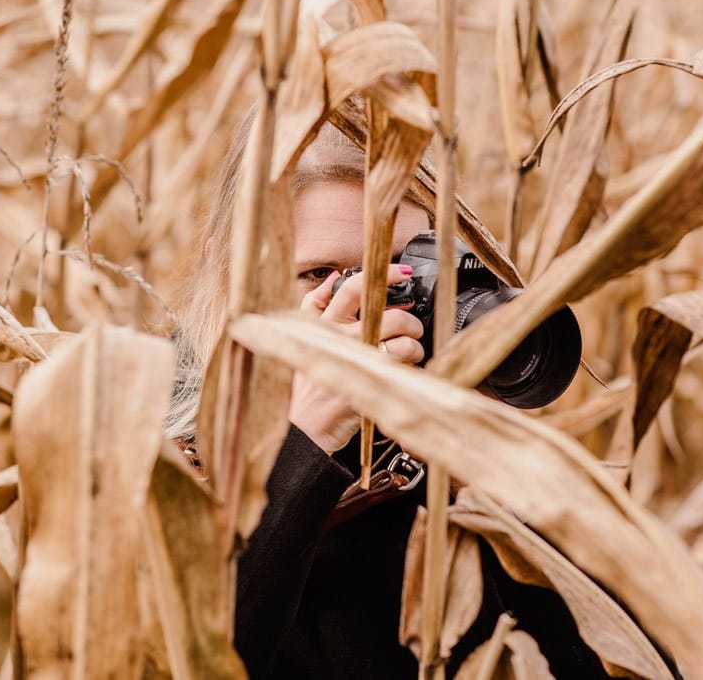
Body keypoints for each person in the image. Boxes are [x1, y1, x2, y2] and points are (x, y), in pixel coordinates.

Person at [170, 112, 611, 679]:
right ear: (229, 273)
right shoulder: (157, 441)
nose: (373, 307)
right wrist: (303, 447)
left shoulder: (452, 466)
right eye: (324, 274)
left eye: (402, 271)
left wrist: (489, 476)